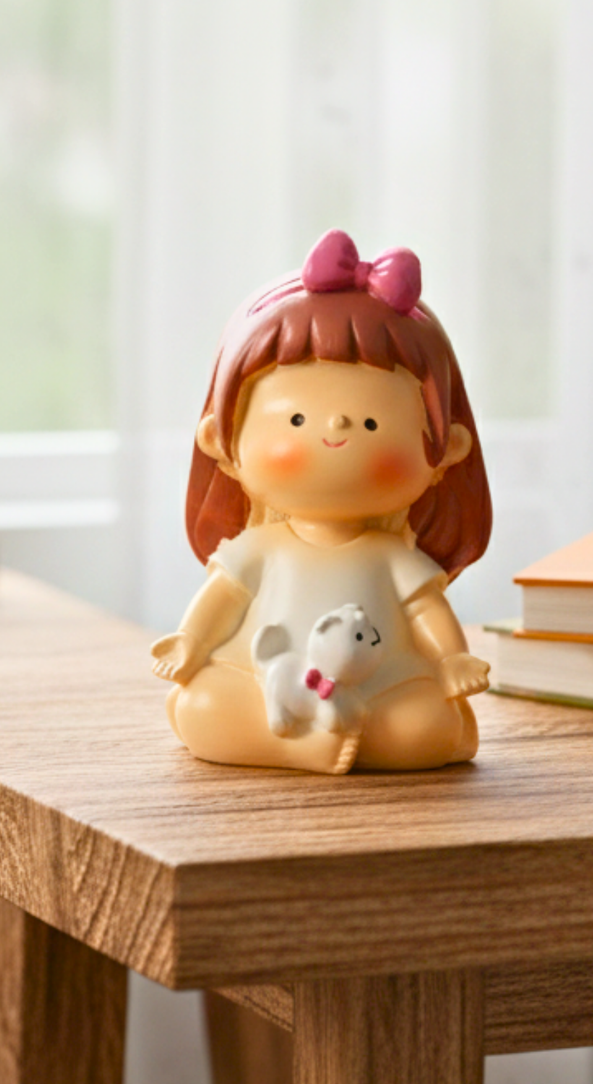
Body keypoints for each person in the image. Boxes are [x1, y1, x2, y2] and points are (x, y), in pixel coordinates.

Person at [150, 229, 493, 774]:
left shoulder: (391, 558)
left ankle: (317, 736)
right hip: (265, 683)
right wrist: (190, 644)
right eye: (296, 420)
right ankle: (304, 739)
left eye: (373, 423)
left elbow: (427, 610)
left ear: (446, 451)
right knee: (204, 702)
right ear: (221, 440)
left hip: (379, 689)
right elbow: (222, 599)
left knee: (423, 722)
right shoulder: (260, 548)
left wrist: (452, 661)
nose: (335, 428)